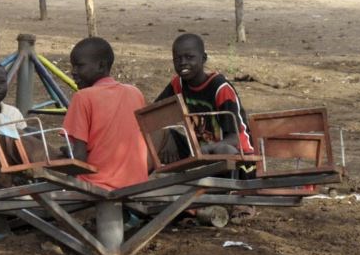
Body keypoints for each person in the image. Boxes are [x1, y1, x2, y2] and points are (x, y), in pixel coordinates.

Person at [155, 33, 256, 179]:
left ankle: (232, 192)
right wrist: (163, 139)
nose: (183, 62)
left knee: (223, 148)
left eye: (189, 57)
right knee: (154, 137)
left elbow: (235, 139)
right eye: (177, 59)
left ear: (203, 59)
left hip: (240, 159)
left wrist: (207, 148)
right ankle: (133, 187)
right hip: (201, 151)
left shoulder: (220, 88)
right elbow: (153, 114)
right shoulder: (178, 84)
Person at [63, 37, 148, 191]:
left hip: (98, 185)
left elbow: (79, 157)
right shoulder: (136, 93)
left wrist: (64, 188)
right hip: (137, 184)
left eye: (79, 66)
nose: (73, 72)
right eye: (72, 66)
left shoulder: (83, 97)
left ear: (101, 66)